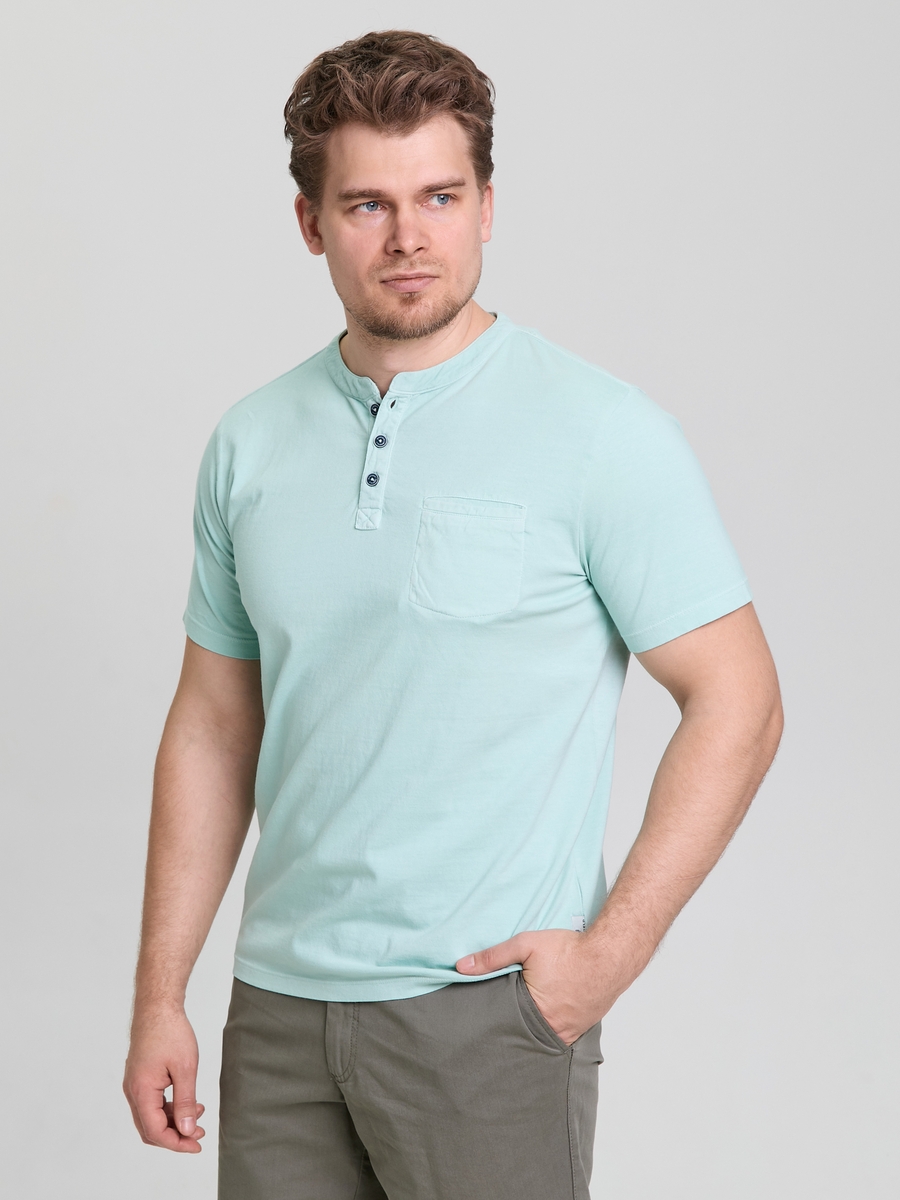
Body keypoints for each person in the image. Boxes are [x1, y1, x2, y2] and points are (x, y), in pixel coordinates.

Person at [123, 29, 783, 1200]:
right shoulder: (250, 442)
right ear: (311, 223)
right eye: (367, 205)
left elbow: (740, 701)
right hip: (278, 1015)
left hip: (486, 1015)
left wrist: (605, 959)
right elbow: (215, 727)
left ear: (487, 207)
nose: (409, 237)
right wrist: (160, 995)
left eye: (440, 195)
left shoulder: (601, 432)